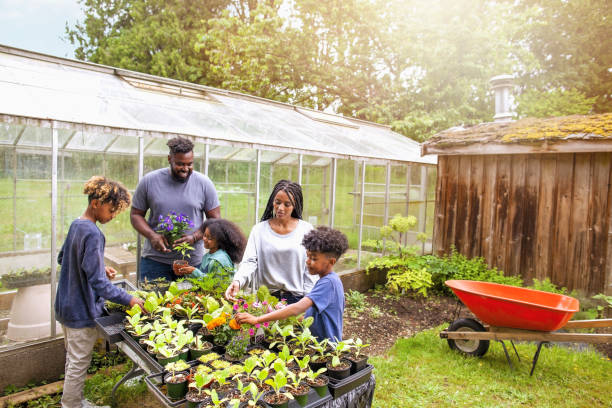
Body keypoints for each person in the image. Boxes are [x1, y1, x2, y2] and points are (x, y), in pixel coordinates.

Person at [55, 176, 144, 408]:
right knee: (78, 363)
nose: (113, 216)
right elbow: (98, 283)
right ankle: (71, 405)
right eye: (111, 210)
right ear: (96, 203)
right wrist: (130, 299)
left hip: (65, 305)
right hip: (80, 310)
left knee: (73, 359)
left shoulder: (77, 224)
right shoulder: (94, 233)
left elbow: (63, 258)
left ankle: (74, 401)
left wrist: (99, 266)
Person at [131, 137, 221, 282]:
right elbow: (136, 215)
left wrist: (195, 236)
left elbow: (215, 219)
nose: (185, 169)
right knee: (152, 303)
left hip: (192, 263)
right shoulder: (149, 181)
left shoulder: (204, 183)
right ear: (169, 159)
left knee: (190, 304)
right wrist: (152, 235)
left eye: (189, 164)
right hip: (155, 261)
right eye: (180, 164)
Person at [236, 226, 348, 342]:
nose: (308, 261)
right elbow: (311, 315)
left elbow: (297, 308)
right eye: (307, 256)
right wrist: (277, 315)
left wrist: (257, 319)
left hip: (326, 348)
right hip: (317, 347)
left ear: (331, 262)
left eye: (314, 259)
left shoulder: (328, 283)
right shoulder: (327, 280)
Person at [225, 180, 315, 304]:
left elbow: (310, 268)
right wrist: (238, 281)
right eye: (277, 202)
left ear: (295, 205)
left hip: (296, 300)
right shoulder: (259, 230)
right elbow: (250, 261)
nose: (280, 208)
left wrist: (308, 300)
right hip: (267, 300)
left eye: (287, 204)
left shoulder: (306, 230)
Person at [176, 218, 247, 280]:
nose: (204, 239)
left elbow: (216, 284)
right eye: (204, 235)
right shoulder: (208, 256)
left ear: (219, 241)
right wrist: (188, 271)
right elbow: (202, 277)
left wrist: (194, 271)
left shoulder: (218, 260)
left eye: (209, 238)